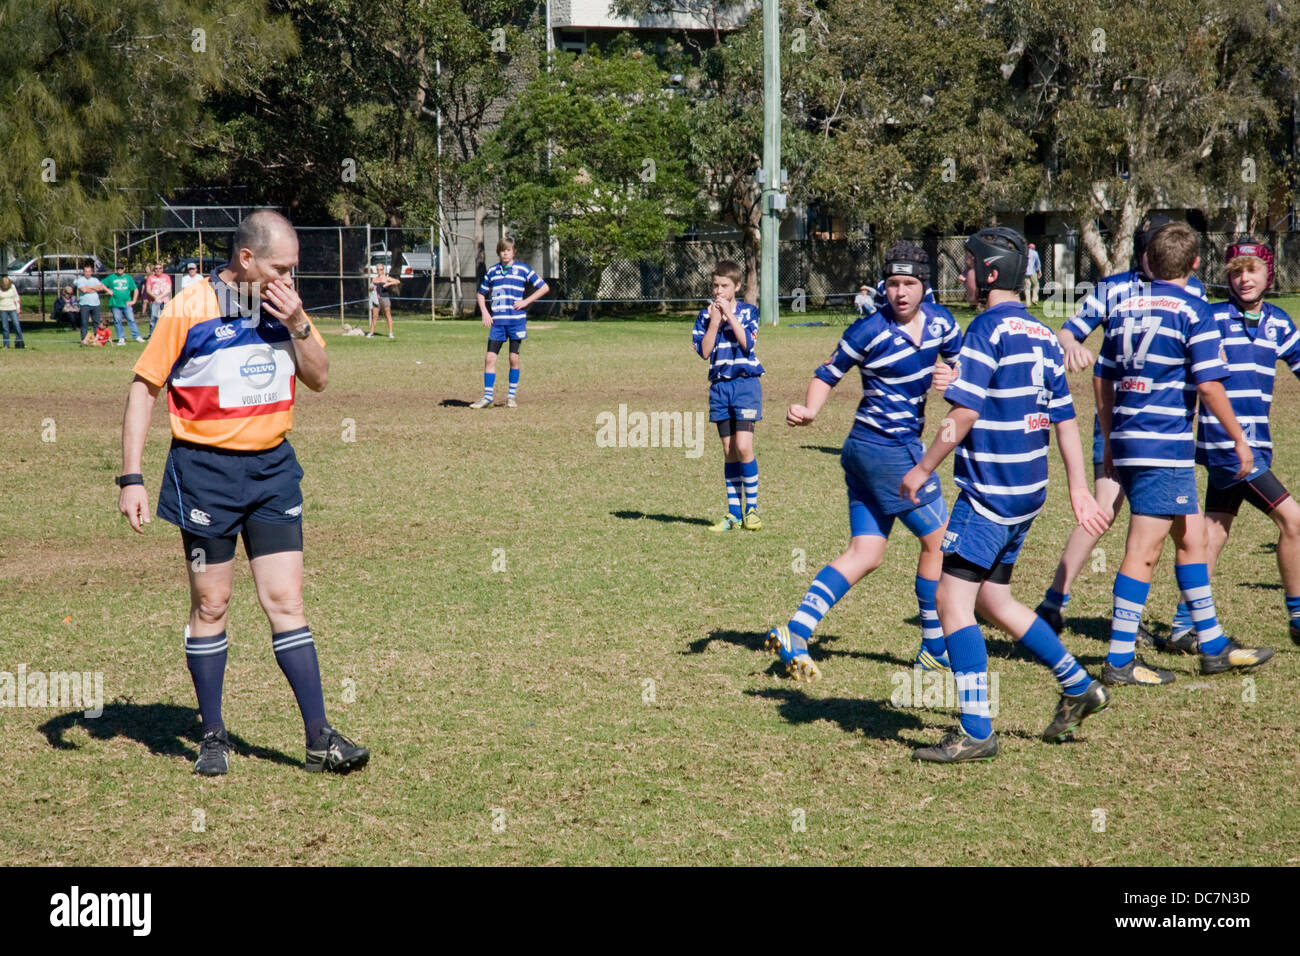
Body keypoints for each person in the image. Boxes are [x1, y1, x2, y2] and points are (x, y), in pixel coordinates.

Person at [116, 210, 369, 777]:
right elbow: (143, 389)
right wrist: (130, 476)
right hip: (205, 473)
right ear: (247, 259)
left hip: (273, 473)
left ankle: (319, 739)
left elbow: (321, 379)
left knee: (286, 602)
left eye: (294, 270)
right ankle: (212, 736)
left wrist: (301, 324)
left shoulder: (286, 308)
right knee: (213, 603)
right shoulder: (188, 307)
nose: (289, 279)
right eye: (281, 268)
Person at [900, 227, 1110, 763]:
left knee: (951, 601)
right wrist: (1078, 492)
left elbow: (965, 413)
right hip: (1028, 493)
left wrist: (923, 468)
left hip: (990, 493)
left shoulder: (986, 330)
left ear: (990, 274)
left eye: (968, 267)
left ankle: (975, 729)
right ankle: (1078, 683)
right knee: (994, 600)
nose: (963, 276)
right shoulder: (1042, 334)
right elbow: (1064, 418)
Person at [771, 243, 961, 681]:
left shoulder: (943, 324)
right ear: (883, 286)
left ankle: (797, 630)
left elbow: (964, 367)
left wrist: (953, 376)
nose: (900, 292)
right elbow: (827, 372)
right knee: (939, 543)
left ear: (924, 287)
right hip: (886, 450)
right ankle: (934, 648)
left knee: (867, 551)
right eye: (893, 283)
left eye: (909, 283)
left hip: (866, 452)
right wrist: (811, 409)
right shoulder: (867, 330)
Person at [1095, 222, 1274, 685]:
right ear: (1196, 264)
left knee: (1192, 540)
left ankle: (1212, 644)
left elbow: (1102, 377)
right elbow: (1211, 385)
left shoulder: (1124, 306)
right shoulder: (1196, 311)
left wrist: (1112, 436)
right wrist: (1238, 438)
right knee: (1143, 550)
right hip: (1164, 443)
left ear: (1149, 261)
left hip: (1133, 439)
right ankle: (1118, 660)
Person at [1035, 213, 1208, 648]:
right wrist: (1073, 345)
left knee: (1186, 528)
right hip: (1119, 419)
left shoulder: (1192, 291)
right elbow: (1068, 332)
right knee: (1105, 510)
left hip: (1164, 429)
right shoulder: (1114, 288)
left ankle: (1192, 625)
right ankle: (1056, 601)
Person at [1157, 237, 1300, 649]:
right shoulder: (1211, 318)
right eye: (1236, 272)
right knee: (1292, 521)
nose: (1244, 279)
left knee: (1214, 533)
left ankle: (1185, 627)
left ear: (1268, 273)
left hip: (1255, 444)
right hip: (1230, 447)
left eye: (1252, 270)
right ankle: (1297, 616)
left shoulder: (1279, 322)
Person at [693, 259, 764, 532]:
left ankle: (752, 509)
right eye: (715, 286)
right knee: (728, 450)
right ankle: (734, 514)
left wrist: (730, 317)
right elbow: (704, 351)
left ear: (736, 286)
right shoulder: (704, 315)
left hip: (745, 385)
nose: (718, 291)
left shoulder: (749, 312)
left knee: (744, 446)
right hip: (720, 388)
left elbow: (748, 344)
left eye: (724, 286)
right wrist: (714, 322)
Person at [471, 238, 549, 408]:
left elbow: (544, 287)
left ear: (514, 252)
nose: (505, 253)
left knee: (514, 359)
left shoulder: (523, 269)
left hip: (516, 323)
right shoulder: (492, 271)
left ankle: (511, 396)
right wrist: (485, 312)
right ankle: (487, 396)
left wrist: (526, 301)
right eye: (502, 250)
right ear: (498, 252)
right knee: (490, 358)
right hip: (498, 324)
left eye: (508, 250)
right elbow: (481, 293)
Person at [104, 263, 143, 345]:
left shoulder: (128, 278)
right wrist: (108, 290)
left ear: (124, 269)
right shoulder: (111, 277)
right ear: (116, 269)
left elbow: (135, 290)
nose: (120, 269)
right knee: (117, 321)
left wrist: (134, 301)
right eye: (118, 268)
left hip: (126, 304)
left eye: (121, 268)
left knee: (131, 320)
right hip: (115, 304)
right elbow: (101, 284)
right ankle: (121, 338)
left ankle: (137, 336)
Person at [74, 262, 109, 343]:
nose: (88, 273)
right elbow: (84, 290)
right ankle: (84, 339)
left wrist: (90, 287)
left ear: (91, 272)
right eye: (86, 271)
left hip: (95, 304)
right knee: (84, 323)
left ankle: (97, 339)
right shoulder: (80, 280)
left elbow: (100, 288)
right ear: (84, 272)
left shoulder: (95, 280)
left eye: (89, 271)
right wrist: (95, 288)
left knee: (96, 323)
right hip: (84, 305)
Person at [367, 263, 399, 339]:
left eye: (381, 269)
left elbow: (397, 281)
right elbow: (369, 289)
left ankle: (390, 333)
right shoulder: (374, 279)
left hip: (385, 298)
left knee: (388, 315)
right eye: (377, 269)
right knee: (374, 316)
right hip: (376, 299)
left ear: (383, 270)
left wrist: (388, 284)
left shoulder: (386, 278)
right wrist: (372, 288)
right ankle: (371, 332)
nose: (379, 271)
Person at [143, 262, 172, 338]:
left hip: (165, 301)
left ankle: (165, 336)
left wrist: (160, 297)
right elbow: (148, 290)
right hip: (154, 302)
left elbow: (168, 289)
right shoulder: (151, 278)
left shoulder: (166, 277)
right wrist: (156, 298)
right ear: (154, 270)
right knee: (153, 320)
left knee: (165, 320)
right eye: (156, 268)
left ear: (162, 269)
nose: (158, 270)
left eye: (160, 268)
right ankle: (152, 336)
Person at [0, 277, 24, 349]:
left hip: (12, 309)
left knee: (17, 326)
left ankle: (20, 344)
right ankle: (6, 345)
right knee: (5, 327)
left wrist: (18, 307)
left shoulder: (12, 287)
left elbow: (16, 297)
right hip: (2, 309)